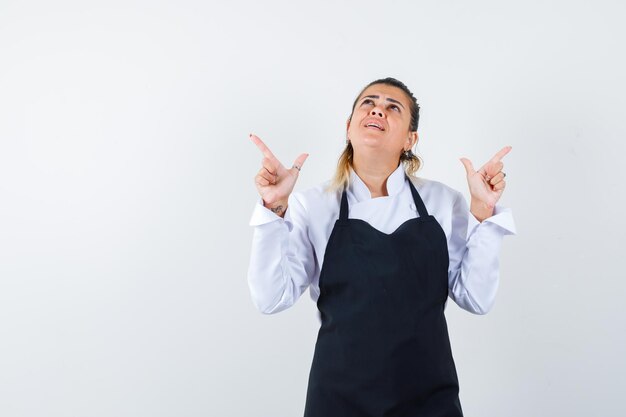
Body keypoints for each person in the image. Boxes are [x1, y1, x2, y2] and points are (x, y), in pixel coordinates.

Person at [247, 77, 516, 416]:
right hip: (338, 399)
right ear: (348, 127)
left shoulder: (443, 202)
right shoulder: (312, 206)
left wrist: (483, 212)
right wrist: (273, 210)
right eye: (368, 103)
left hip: (429, 399)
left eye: (393, 107)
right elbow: (270, 299)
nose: (378, 109)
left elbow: (476, 299)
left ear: (410, 139)